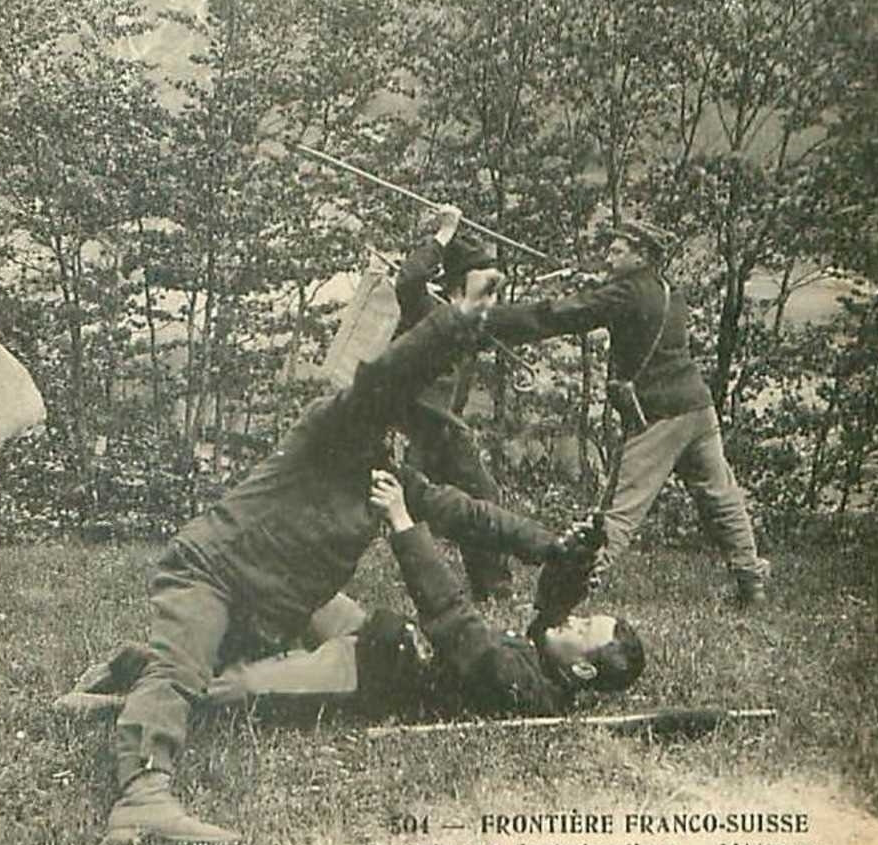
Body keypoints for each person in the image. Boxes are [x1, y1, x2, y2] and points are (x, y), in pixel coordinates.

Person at [101, 250, 505, 845]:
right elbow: (383, 381)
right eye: (413, 415)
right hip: (210, 572)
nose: (419, 432)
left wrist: (557, 548)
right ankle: (142, 799)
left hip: (260, 607)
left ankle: (122, 673)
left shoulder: (382, 468)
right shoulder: (338, 423)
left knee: (196, 670)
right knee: (180, 672)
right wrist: (454, 320)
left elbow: (470, 510)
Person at [60, 470, 639, 723]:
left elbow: (453, 619)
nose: (575, 621)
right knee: (288, 586)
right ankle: (153, 661)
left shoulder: (527, 691)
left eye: (586, 630)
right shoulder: (549, 659)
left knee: (244, 687)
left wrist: (403, 523)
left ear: (585, 674)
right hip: (374, 629)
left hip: (371, 671)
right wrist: (575, 552)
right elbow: (553, 608)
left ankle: (124, 697)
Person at [484, 218, 769, 605]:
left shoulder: (625, 293)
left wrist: (486, 318)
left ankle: (574, 591)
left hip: (660, 416)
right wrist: (599, 286)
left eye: (617, 251)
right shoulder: (669, 291)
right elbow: (628, 305)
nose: (607, 256)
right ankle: (751, 582)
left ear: (641, 255)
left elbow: (556, 316)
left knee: (619, 510)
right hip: (699, 409)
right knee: (722, 497)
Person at [392, 206, 514, 601]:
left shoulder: (470, 320)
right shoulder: (425, 309)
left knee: (482, 499)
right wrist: (445, 232)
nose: (490, 297)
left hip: (442, 431)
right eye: (484, 286)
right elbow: (409, 277)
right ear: (458, 285)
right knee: (375, 511)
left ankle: (493, 589)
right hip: (404, 430)